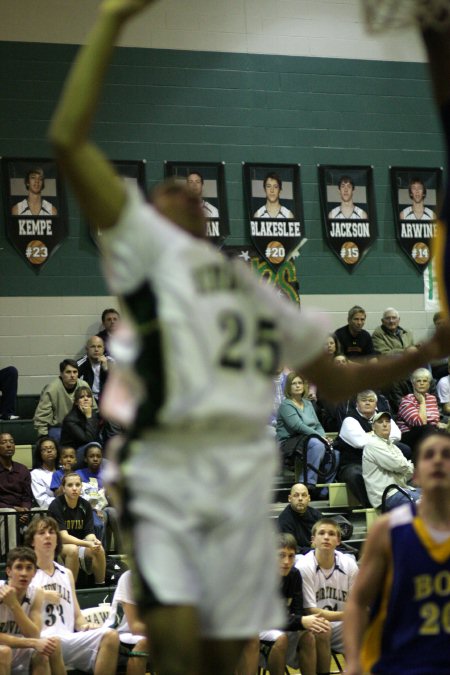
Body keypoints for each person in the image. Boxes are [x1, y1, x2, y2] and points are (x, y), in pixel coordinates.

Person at [47, 1, 450, 672]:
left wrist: (421, 353)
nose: (177, 187)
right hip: (167, 473)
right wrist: (114, 20)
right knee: (176, 644)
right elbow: (66, 137)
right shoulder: (150, 252)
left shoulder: (258, 293)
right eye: (165, 186)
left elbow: (337, 378)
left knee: (227, 649)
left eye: (187, 186)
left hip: (231, 485)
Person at [344, 430, 450, 675]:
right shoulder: (388, 527)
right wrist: (354, 662)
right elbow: (358, 602)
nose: (437, 460)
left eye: (446, 455)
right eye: (428, 455)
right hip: (399, 663)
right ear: (416, 475)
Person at [25, 515, 120, 675]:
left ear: (57, 541)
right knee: (50, 646)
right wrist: (40, 594)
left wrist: (85, 626)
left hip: (68, 639)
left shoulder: (66, 573)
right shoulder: (26, 573)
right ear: (32, 541)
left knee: (110, 636)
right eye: (42, 533)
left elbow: (77, 617)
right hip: (42, 641)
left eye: (51, 532)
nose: (48, 536)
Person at [238, 533, 331, 675]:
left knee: (309, 636)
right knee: (280, 639)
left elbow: (297, 610)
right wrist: (301, 620)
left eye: (291, 556)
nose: (286, 561)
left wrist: (306, 621)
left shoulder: (294, 575)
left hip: (279, 624)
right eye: (281, 555)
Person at [296, 518, 358, 656]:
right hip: (313, 624)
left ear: (338, 540)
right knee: (323, 628)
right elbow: (310, 610)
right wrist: (347, 616)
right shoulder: (303, 567)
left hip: (341, 623)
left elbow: (356, 604)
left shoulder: (349, 564)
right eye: (321, 533)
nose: (326, 537)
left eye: (331, 534)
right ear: (313, 540)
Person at [0, 546, 66, 675]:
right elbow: (33, 640)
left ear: (35, 573)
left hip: (18, 648)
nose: (24, 573)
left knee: (52, 646)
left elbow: (34, 634)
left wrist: (14, 605)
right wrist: (32, 642)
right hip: (4, 650)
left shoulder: (36, 593)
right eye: (19, 567)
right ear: (9, 571)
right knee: (4, 652)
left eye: (29, 568)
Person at [334, 390, 404, 507]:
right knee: (354, 474)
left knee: (404, 450)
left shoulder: (382, 416)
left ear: (376, 404)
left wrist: (371, 434)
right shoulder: (349, 419)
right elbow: (360, 443)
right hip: (354, 462)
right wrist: (381, 436)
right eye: (364, 400)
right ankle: (373, 506)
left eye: (371, 400)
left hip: (380, 461)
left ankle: (398, 499)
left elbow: (397, 435)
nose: (367, 403)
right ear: (357, 404)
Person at [276, 373, 338, 496]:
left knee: (335, 453)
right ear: (288, 387)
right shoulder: (285, 405)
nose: (297, 386)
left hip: (308, 438)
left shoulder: (308, 403)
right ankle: (306, 483)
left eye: (300, 383)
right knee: (317, 444)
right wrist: (319, 437)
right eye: (294, 383)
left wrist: (324, 437)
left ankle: (324, 491)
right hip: (290, 442)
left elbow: (318, 424)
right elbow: (298, 426)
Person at [48, 472, 106, 585]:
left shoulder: (85, 505)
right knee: (72, 550)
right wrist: (87, 544)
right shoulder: (56, 505)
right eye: (70, 485)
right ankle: (71, 592)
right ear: (63, 489)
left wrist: (94, 541)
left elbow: (89, 533)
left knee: (99, 549)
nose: (74, 488)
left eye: (77, 485)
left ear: (81, 487)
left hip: (79, 544)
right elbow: (63, 537)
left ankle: (101, 587)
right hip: (56, 545)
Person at [362, 411, 420, 511]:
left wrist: (406, 467)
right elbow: (399, 466)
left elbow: (407, 473)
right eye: (380, 422)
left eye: (387, 422)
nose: (385, 424)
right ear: (373, 427)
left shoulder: (394, 447)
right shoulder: (373, 445)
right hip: (387, 496)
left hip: (401, 490)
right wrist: (408, 466)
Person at [33, 359, 96, 442]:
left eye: (75, 372)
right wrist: (43, 437)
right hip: (59, 427)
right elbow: (42, 417)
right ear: (61, 374)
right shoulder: (52, 389)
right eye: (68, 372)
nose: (72, 375)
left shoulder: (84, 385)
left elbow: (94, 409)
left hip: (81, 426)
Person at [76, 442, 122, 552]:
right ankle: (101, 553)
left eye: (98, 456)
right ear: (86, 459)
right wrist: (93, 509)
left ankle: (121, 552)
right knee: (102, 517)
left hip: (105, 506)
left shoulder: (107, 475)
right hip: (86, 509)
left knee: (114, 513)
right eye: (92, 456)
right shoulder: (78, 474)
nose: (95, 459)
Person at [104, 569, 150, 675]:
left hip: (149, 631)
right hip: (120, 633)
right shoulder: (130, 577)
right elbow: (135, 626)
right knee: (144, 643)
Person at [397, 367, 446, 450]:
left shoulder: (432, 398)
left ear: (429, 384)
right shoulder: (406, 400)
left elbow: (435, 419)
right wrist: (422, 402)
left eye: (425, 381)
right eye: (418, 381)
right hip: (409, 436)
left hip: (428, 432)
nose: (422, 383)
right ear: (413, 384)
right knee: (428, 428)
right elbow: (420, 423)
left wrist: (440, 425)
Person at [0, 432, 33, 554]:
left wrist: (25, 509)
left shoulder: (22, 469)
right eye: (4, 442)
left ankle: (40, 556)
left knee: (41, 512)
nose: (8, 445)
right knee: (10, 514)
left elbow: (27, 496)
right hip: (4, 511)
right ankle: (10, 557)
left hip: (20, 511)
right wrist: (15, 509)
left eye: (11, 442)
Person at [60, 386, 102, 460]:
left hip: (90, 453)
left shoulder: (94, 414)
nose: (86, 399)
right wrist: (88, 417)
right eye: (82, 397)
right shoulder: (70, 420)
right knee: (93, 446)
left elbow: (97, 437)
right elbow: (89, 440)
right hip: (73, 455)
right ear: (76, 402)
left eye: (88, 396)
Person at [277, 483, 322, 553]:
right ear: (289, 498)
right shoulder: (284, 519)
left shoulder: (316, 515)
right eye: (296, 495)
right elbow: (291, 548)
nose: (300, 499)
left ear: (309, 498)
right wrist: (313, 551)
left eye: (303, 495)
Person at [77, 335, 113, 403]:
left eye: (99, 346)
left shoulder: (112, 363)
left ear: (103, 349)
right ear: (87, 349)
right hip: (88, 401)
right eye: (93, 346)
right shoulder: (80, 364)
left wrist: (106, 369)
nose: (96, 349)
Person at [30, 436, 60, 509]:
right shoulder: (36, 474)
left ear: (57, 451)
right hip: (49, 510)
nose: (49, 451)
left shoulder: (63, 471)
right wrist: (64, 501)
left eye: (52, 448)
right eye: (45, 449)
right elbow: (42, 501)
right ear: (39, 454)